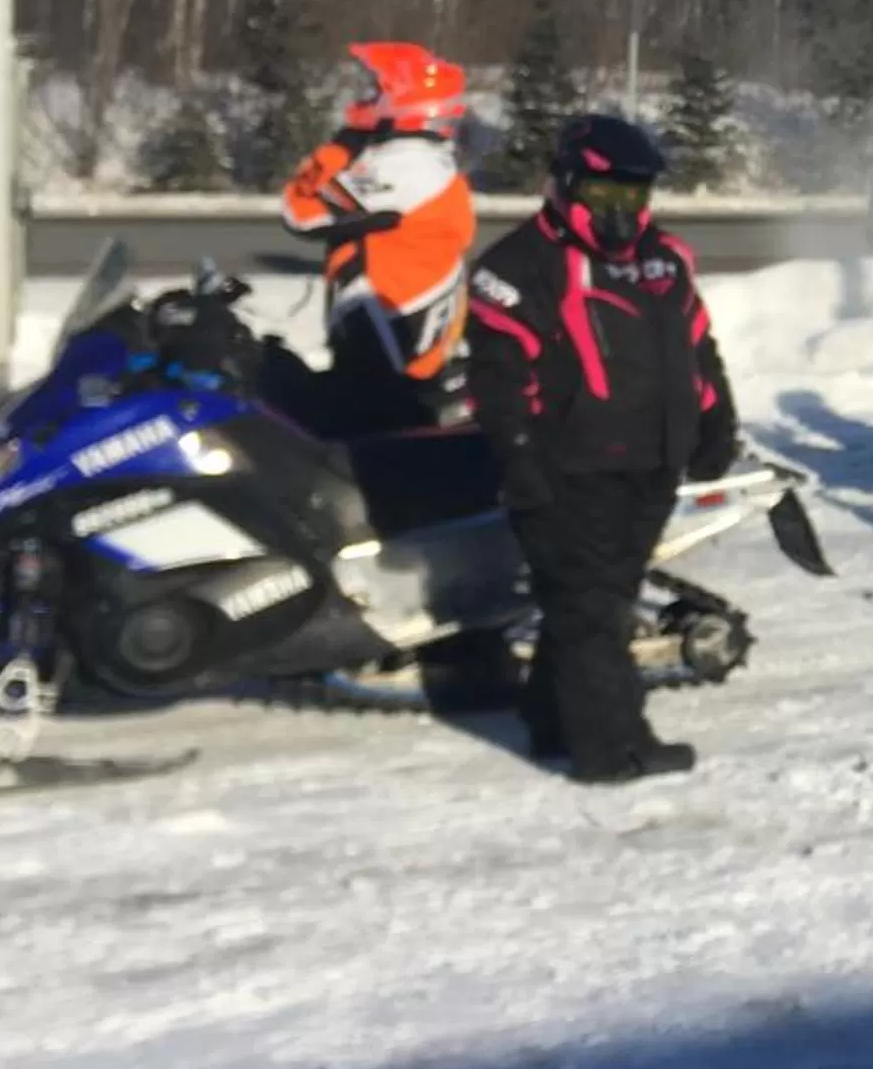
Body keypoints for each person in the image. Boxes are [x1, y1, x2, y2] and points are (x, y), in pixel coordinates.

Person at [465, 114, 740, 786]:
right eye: (603, 195)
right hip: (566, 470)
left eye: (633, 197)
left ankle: (551, 718)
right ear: (564, 185)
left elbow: (698, 348)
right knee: (592, 615)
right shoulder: (515, 268)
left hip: (650, 463)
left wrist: (716, 423)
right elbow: (497, 383)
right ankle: (614, 747)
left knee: (596, 602)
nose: (619, 212)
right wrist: (521, 462)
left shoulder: (665, 260)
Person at [280, 43, 477, 434]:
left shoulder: (408, 166)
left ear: (404, 99)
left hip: (388, 332)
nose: (366, 98)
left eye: (376, 90)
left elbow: (299, 213)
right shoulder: (416, 159)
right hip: (390, 327)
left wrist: (339, 147)